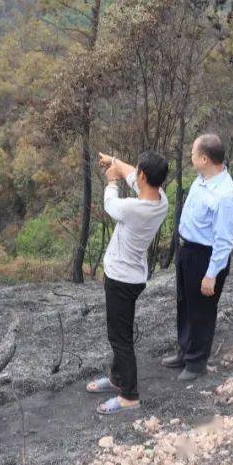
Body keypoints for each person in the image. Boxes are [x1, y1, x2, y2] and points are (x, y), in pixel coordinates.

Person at [86, 150, 170, 414]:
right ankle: (117, 378)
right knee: (120, 333)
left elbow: (111, 204)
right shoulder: (160, 199)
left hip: (121, 279)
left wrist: (111, 180)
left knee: (120, 339)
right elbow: (132, 174)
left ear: (144, 175)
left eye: (138, 171)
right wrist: (114, 162)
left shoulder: (133, 209)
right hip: (132, 276)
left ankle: (129, 396)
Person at [161, 133, 233, 381]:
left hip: (206, 256)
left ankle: (197, 362)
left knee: (202, 309)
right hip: (188, 251)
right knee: (185, 304)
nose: (190, 157)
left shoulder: (225, 195)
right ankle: (185, 351)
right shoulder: (202, 179)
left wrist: (211, 274)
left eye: (193, 154)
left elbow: (224, 241)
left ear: (204, 158)